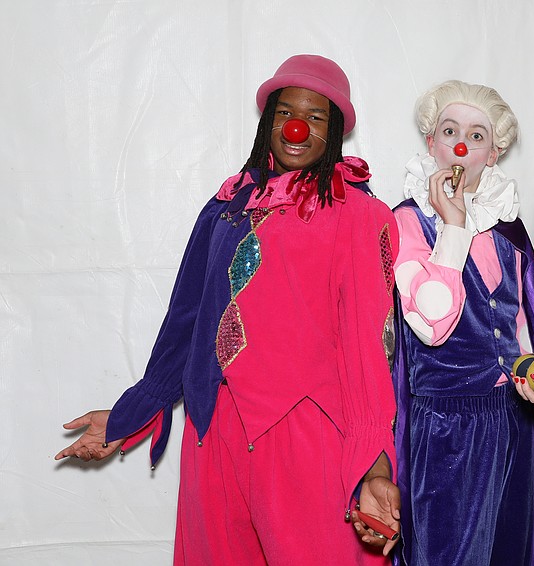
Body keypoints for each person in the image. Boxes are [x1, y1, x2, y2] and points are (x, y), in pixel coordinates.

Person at [55, 54, 401, 565]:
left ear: (335, 131)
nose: (297, 127)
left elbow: (366, 348)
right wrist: (130, 413)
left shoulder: (358, 214)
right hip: (213, 433)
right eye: (284, 113)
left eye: (315, 116)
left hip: (304, 434)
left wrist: (374, 471)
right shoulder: (226, 207)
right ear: (268, 122)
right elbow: (187, 321)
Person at [391, 80, 534, 566]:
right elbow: (430, 323)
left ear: (493, 153)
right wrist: (453, 224)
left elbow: (523, 327)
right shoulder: (407, 222)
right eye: (450, 131)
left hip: (513, 418)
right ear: (432, 143)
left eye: (477, 135)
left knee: (513, 552)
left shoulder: (507, 225)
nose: (461, 145)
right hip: (446, 424)